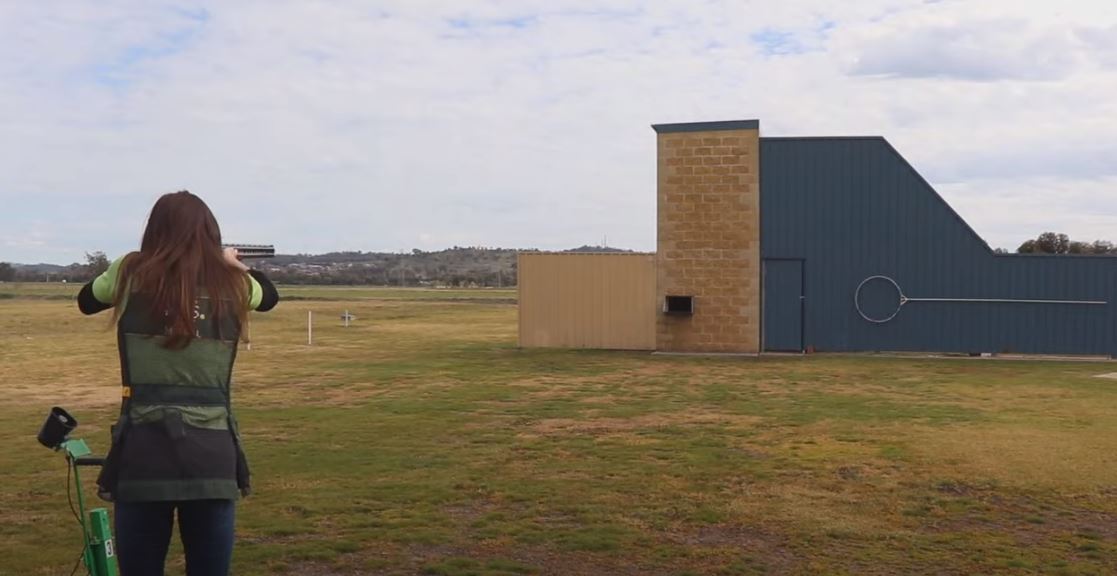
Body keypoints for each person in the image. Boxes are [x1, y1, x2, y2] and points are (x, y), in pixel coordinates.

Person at [77, 191, 278, 575]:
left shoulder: (129, 270)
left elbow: (87, 301)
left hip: (143, 450)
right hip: (213, 451)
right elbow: (269, 296)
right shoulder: (231, 283)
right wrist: (234, 265)